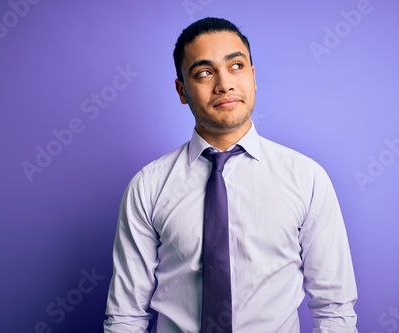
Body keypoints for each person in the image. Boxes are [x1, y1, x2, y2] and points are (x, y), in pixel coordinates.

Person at [104, 17, 358, 332]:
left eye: (236, 66)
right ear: (182, 91)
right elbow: (126, 314)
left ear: (253, 77)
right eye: (205, 72)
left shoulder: (307, 178)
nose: (224, 84)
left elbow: (334, 308)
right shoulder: (148, 186)